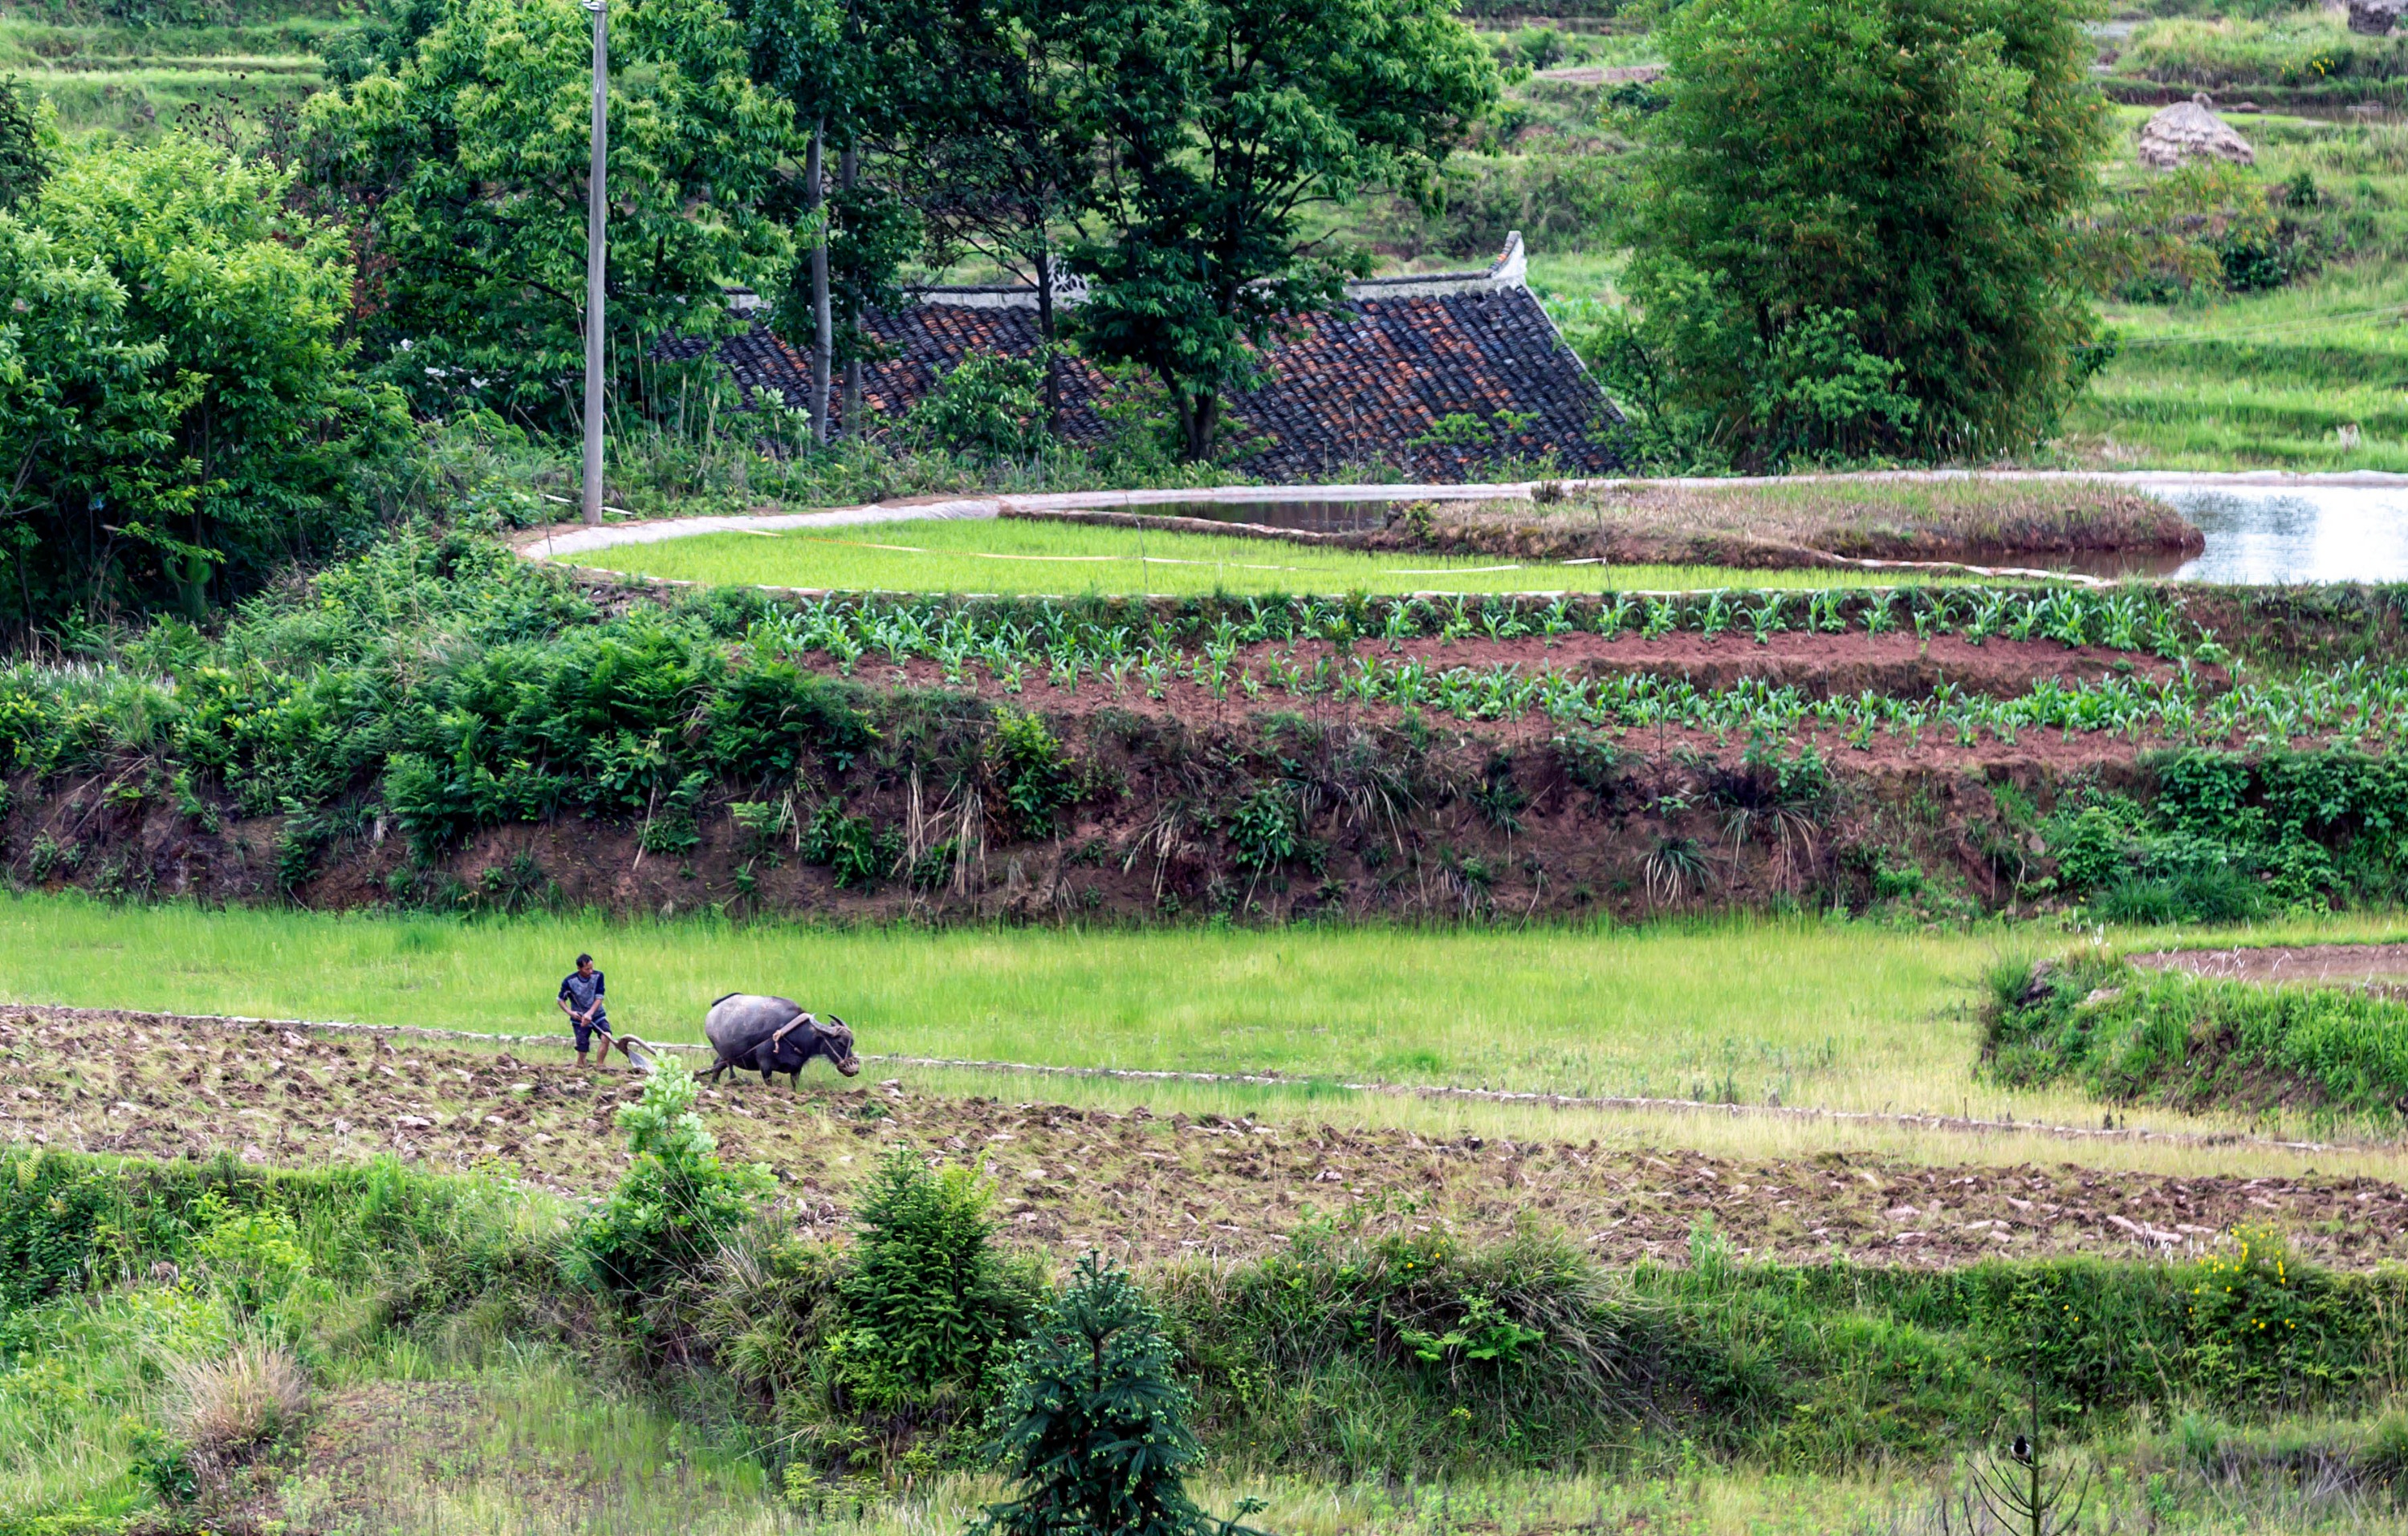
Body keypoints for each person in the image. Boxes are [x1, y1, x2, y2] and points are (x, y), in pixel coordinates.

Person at [558, 953, 624, 1069]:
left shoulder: (598, 976)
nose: (590, 971)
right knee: (582, 1047)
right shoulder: (569, 981)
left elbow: (599, 997)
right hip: (580, 1018)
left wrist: (590, 1013)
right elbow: (560, 1000)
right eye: (587, 969)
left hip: (597, 1015)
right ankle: (581, 1066)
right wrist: (571, 1013)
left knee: (606, 1036)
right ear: (579, 968)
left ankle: (600, 1066)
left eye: (591, 968)